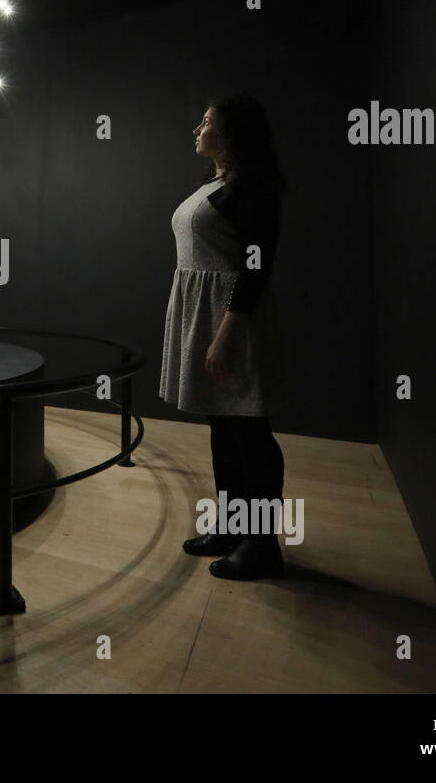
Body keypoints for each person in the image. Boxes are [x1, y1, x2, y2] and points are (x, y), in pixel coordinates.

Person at [158, 96, 287, 580]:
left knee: (249, 432)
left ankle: (262, 545)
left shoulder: (254, 189)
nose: (197, 127)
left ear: (232, 134)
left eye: (208, 122)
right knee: (224, 428)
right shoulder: (219, 184)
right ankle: (233, 526)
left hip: (232, 318)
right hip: (205, 313)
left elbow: (256, 268)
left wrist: (227, 333)